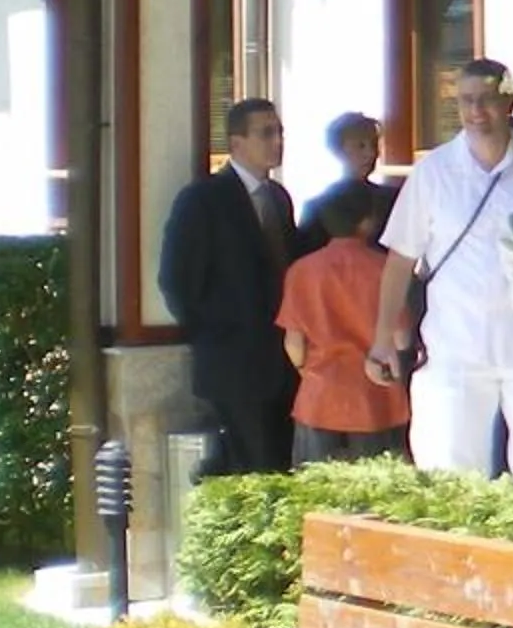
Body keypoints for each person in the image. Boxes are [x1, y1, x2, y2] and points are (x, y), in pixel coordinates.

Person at [373, 59, 513, 482]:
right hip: (455, 345)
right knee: (449, 472)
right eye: (467, 101)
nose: (477, 112)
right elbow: (400, 260)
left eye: (487, 100)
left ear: (508, 103)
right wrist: (381, 338)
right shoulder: (434, 172)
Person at [159, 98, 302, 476]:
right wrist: (215, 333)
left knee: (279, 462)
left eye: (280, 132)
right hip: (233, 362)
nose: (277, 141)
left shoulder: (277, 199)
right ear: (237, 143)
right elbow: (176, 280)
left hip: (281, 360)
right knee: (253, 465)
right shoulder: (204, 200)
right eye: (266, 133)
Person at [274, 185, 408, 465]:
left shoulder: (302, 270)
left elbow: (294, 344)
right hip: (377, 399)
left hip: (318, 398)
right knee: (379, 498)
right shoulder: (386, 269)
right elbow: (402, 339)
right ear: (368, 221)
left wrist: (306, 370)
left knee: (317, 497)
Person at [297, 110, 394, 252]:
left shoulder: (393, 199)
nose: (371, 153)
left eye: (374, 145)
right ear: (338, 150)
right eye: (360, 146)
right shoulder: (318, 207)